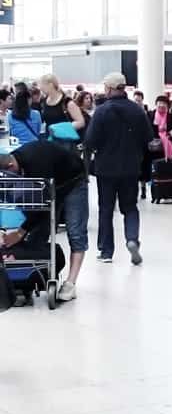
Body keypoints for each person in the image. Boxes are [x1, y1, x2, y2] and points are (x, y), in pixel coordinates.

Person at [0, 134, 90, 301]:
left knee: (75, 230)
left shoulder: (36, 164)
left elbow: (43, 206)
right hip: (52, 183)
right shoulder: (16, 161)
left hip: (73, 181)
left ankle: (70, 284)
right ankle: (31, 278)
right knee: (39, 231)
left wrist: (20, 232)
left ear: (11, 165)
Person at [83, 73, 155, 265]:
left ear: (109, 88)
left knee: (106, 208)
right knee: (130, 207)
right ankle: (132, 239)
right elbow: (149, 138)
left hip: (106, 167)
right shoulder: (137, 110)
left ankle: (106, 251)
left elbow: (90, 140)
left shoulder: (101, 111)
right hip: (131, 167)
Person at [38, 74, 85, 139]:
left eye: (42, 85)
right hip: (50, 140)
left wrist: (59, 129)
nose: (40, 88)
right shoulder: (44, 101)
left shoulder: (67, 102)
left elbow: (81, 122)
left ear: (50, 85)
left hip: (65, 142)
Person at [8, 84, 43, 148]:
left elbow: (10, 132)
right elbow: (38, 131)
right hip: (33, 146)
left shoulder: (11, 115)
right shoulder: (36, 114)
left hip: (17, 147)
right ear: (29, 100)